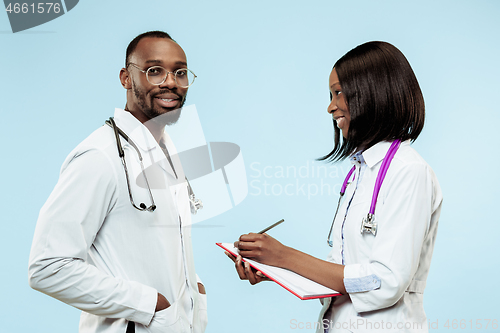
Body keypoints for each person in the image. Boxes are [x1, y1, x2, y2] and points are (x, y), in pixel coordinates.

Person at [228, 41, 442, 333]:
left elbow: (385, 282)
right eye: (330, 95)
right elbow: (340, 273)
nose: (330, 107)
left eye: (338, 93)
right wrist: (274, 269)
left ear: (373, 90)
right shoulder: (360, 173)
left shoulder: (409, 171)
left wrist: (284, 256)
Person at [29, 31, 208, 333]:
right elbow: (47, 267)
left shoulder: (168, 149)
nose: (171, 82)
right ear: (126, 78)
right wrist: (150, 303)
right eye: (155, 71)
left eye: (180, 72)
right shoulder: (99, 156)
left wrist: (196, 293)